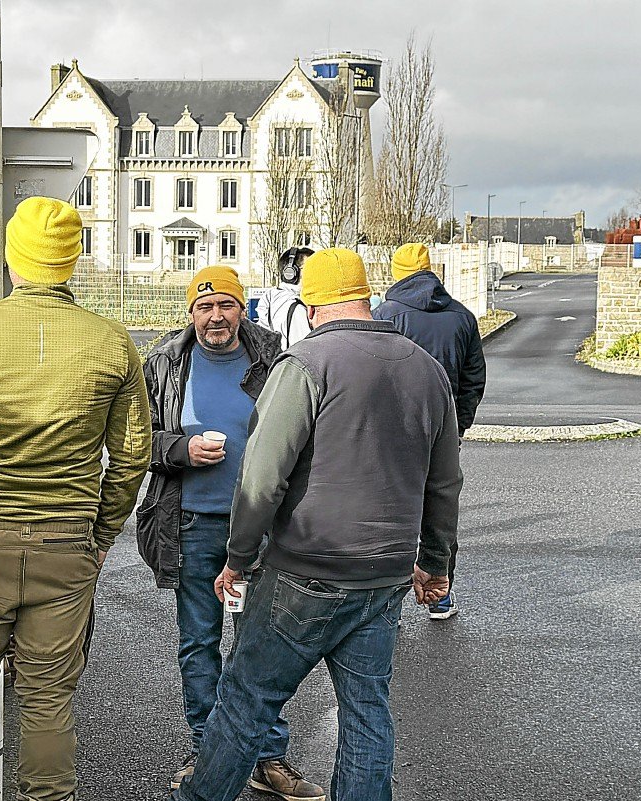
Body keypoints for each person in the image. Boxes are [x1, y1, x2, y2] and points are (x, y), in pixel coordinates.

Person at [173, 247, 463, 801]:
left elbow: (262, 475)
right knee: (367, 714)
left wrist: (237, 556)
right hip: (383, 578)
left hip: (304, 571)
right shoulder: (427, 371)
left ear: (310, 306)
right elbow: (444, 483)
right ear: (366, 299)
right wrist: (434, 562)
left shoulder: (305, 365)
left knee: (246, 701)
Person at [0, 197, 151, 801]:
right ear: (73, 263)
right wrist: (99, 533)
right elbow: (133, 456)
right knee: (48, 695)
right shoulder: (112, 342)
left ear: (13, 260)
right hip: (67, 540)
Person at [138, 266, 323, 800]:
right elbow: (135, 439)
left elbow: (305, 435)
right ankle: (208, 751)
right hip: (193, 525)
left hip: (260, 531)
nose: (215, 317)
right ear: (190, 313)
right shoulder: (166, 365)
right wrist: (179, 450)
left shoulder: (275, 360)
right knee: (199, 643)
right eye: (204, 307)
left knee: (258, 645)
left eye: (226, 306)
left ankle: (267, 757)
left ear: (243, 310)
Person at [373, 242, 486, 620]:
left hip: (392, 431)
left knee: (390, 510)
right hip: (444, 430)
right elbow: (474, 380)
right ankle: (440, 592)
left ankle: (389, 600)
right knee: (440, 506)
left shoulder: (385, 315)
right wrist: (460, 423)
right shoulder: (463, 317)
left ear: (397, 272)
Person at [254, 247, 314, 349]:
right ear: (291, 272)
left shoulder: (272, 297)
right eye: (310, 269)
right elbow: (308, 352)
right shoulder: (296, 308)